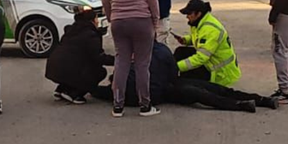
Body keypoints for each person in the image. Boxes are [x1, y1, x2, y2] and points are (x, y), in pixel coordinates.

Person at [92, 41, 278, 113]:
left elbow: (103, 92)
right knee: (210, 89)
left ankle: (241, 105)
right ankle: (261, 100)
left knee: (197, 93)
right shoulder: (162, 51)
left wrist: (89, 88)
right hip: (163, 87)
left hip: (158, 93)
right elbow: (174, 74)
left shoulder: (128, 57)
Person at [103, 0, 161, 118]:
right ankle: (145, 105)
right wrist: (155, 19)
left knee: (121, 62)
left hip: (119, 21)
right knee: (142, 64)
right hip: (141, 20)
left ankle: (117, 106)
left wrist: (111, 16)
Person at [45, 6, 114, 104]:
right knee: (99, 71)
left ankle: (61, 89)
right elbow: (98, 57)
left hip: (53, 68)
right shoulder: (91, 35)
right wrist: (117, 60)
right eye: (96, 18)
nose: (97, 21)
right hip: (67, 70)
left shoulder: (71, 30)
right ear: (92, 20)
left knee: (76, 66)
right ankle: (75, 94)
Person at [172, 0, 241, 87]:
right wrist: (186, 40)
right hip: (211, 62)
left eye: (189, 14)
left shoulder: (210, 30)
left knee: (187, 79)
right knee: (181, 52)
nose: (187, 16)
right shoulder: (200, 22)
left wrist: (176, 67)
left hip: (219, 72)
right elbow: (200, 38)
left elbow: (201, 58)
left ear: (198, 13)